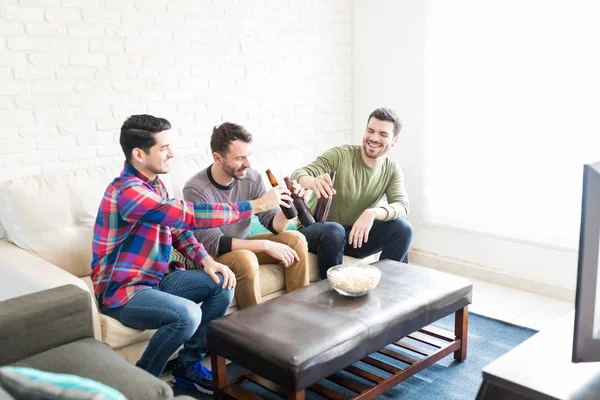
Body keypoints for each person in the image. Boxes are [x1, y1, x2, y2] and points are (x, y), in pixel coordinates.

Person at [90, 115, 289, 394]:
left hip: (158, 279)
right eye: (164, 148)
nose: (172, 153)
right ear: (138, 154)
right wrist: (254, 205)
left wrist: (206, 260)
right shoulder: (127, 192)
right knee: (186, 315)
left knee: (223, 282)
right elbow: (190, 215)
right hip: (124, 291)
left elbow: (179, 229)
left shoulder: (154, 184)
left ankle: (187, 366)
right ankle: (136, 386)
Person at [182, 122, 310, 309]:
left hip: (245, 243)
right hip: (214, 255)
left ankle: (299, 314)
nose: (248, 163)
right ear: (218, 158)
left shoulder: (252, 177)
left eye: (249, 155)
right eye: (240, 158)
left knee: (296, 240)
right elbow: (215, 243)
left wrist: (293, 204)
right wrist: (265, 245)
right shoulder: (196, 189)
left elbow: (276, 225)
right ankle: (253, 330)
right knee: (245, 258)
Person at [291, 107, 413, 278]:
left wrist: (373, 213)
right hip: (316, 232)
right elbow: (298, 174)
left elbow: (402, 206)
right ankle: (332, 296)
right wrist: (312, 182)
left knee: (403, 228)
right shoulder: (340, 155)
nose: (374, 138)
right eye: (370, 130)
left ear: (394, 141)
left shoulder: (391, 168)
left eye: (383, 134)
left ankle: (385, 289)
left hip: (353, 236)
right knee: (334, 230)